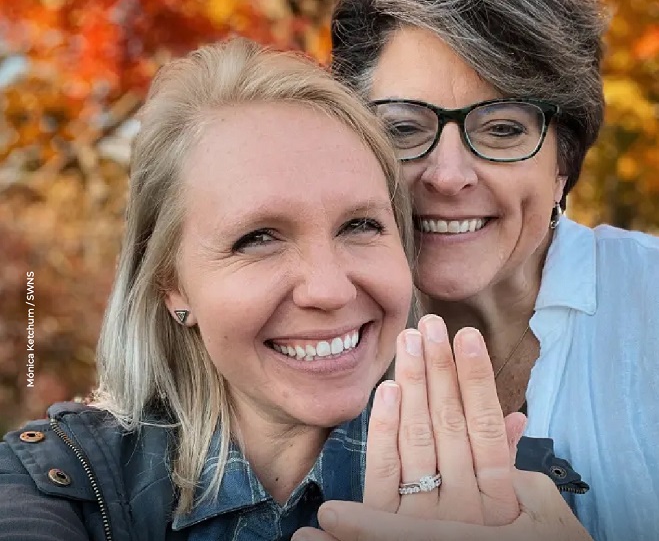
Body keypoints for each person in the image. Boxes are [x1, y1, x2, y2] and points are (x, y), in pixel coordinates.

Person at [0, 36, 587, 540]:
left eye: (360, 226)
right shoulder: (59, 483)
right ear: (171, 285)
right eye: (258, 238)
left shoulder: (520, 498)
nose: (329, 290)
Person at [329, 0, 659, 540]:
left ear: (562, 165)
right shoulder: (310, 336)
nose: (448, 176)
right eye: (402, 128)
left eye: (502, 129)